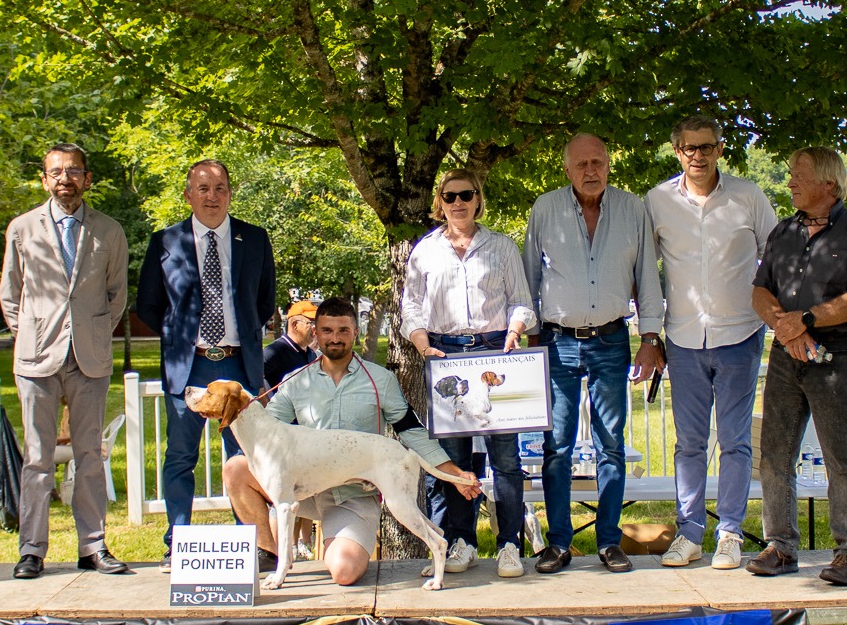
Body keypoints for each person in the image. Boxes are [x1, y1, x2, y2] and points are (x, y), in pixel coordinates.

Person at [223, 298, 481, 585]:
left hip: (353, 495)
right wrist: (229, 409)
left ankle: (346, 541)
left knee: (344, 572)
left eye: (343, 330)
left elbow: (410, 430)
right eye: (327, 330)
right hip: (305, 490)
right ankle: (270, 554)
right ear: (315, 333)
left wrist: (452, 472)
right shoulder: (295, 380)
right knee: (236, 469)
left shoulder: (380, 379)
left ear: (355, 332)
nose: (335, 338)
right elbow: (266, 430)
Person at [521, 134, 664, 575]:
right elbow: (529, 276)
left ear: (608, 164)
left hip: (611, 339)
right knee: (556, 446)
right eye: (581, 164)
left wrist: (651, 338)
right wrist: (531, 337)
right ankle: (559, 543)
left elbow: (648, 277)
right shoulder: (546, 208)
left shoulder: (632, 208)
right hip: (557, 341)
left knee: (611, 444)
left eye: (598, 162)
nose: (590, 171)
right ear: (566, 169)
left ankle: (608, 541)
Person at [747, 147, 847, 582]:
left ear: (828, 183)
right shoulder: (782, 231)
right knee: (774, 454)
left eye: (798, 175)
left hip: (836, 356)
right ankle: (780, 546)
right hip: (786, 355)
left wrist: (806, 320)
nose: (790, 182)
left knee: (840, 456)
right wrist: (789, 329)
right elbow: (760, 292)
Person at [648, 116, 777, 571]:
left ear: (721, 149)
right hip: (684, 337)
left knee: (736, 442)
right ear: (677, 151)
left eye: (706, 147)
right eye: (689, 148)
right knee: (689, 444)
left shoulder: (749, 196)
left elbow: (776, 256)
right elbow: (643, 268)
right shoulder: (658, 201)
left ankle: (730, 534)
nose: (697, 156)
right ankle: (689, 534)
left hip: (740, 333)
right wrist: (649, 333)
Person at [0, 142, 132, 579]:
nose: (65, 179)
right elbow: (10, 292)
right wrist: (31, 333)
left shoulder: (109, 231)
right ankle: (32, 550)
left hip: (89, 359)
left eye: (73, 171)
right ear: (44, 180)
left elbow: (116, 295)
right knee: (37, 458)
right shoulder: (22, 228)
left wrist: (91, 333)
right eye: (56, 172)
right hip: (37, 357)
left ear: (86, 178)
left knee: (90, 455)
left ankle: (92, 546)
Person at [136, 158, 278, 554]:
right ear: (188, 195)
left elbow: (264, 301)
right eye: (203, 188)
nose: (212, 196)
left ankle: (250, 544)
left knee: (242, 457)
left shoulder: (254, 239)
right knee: (181, 455)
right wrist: (179, 337)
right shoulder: (165, 242)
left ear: (230, 194)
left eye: (220, 188)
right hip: (189, 364)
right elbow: (148, 305)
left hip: (238, 363)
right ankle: (176, 541)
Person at [402, 169, 538, 580]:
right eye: (450, 196)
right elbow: (411, 307)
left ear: (478, 199)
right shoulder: (424, 251)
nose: (458, 202)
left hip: (495, 350)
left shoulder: (502, 246)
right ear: (439, 202)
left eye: (466, 194)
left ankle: (510, 544)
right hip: (445, 354)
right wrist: (423, 345)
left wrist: (515, 331)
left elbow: (521, 301)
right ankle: (462, 541)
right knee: (455, 459)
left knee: (506, 458)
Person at [263, 299, 319, 390]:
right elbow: (253, 379)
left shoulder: (311, 354)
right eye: (312, 323)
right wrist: (266, 399)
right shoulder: (275, 351)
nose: (316, 329)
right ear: (295, 325)